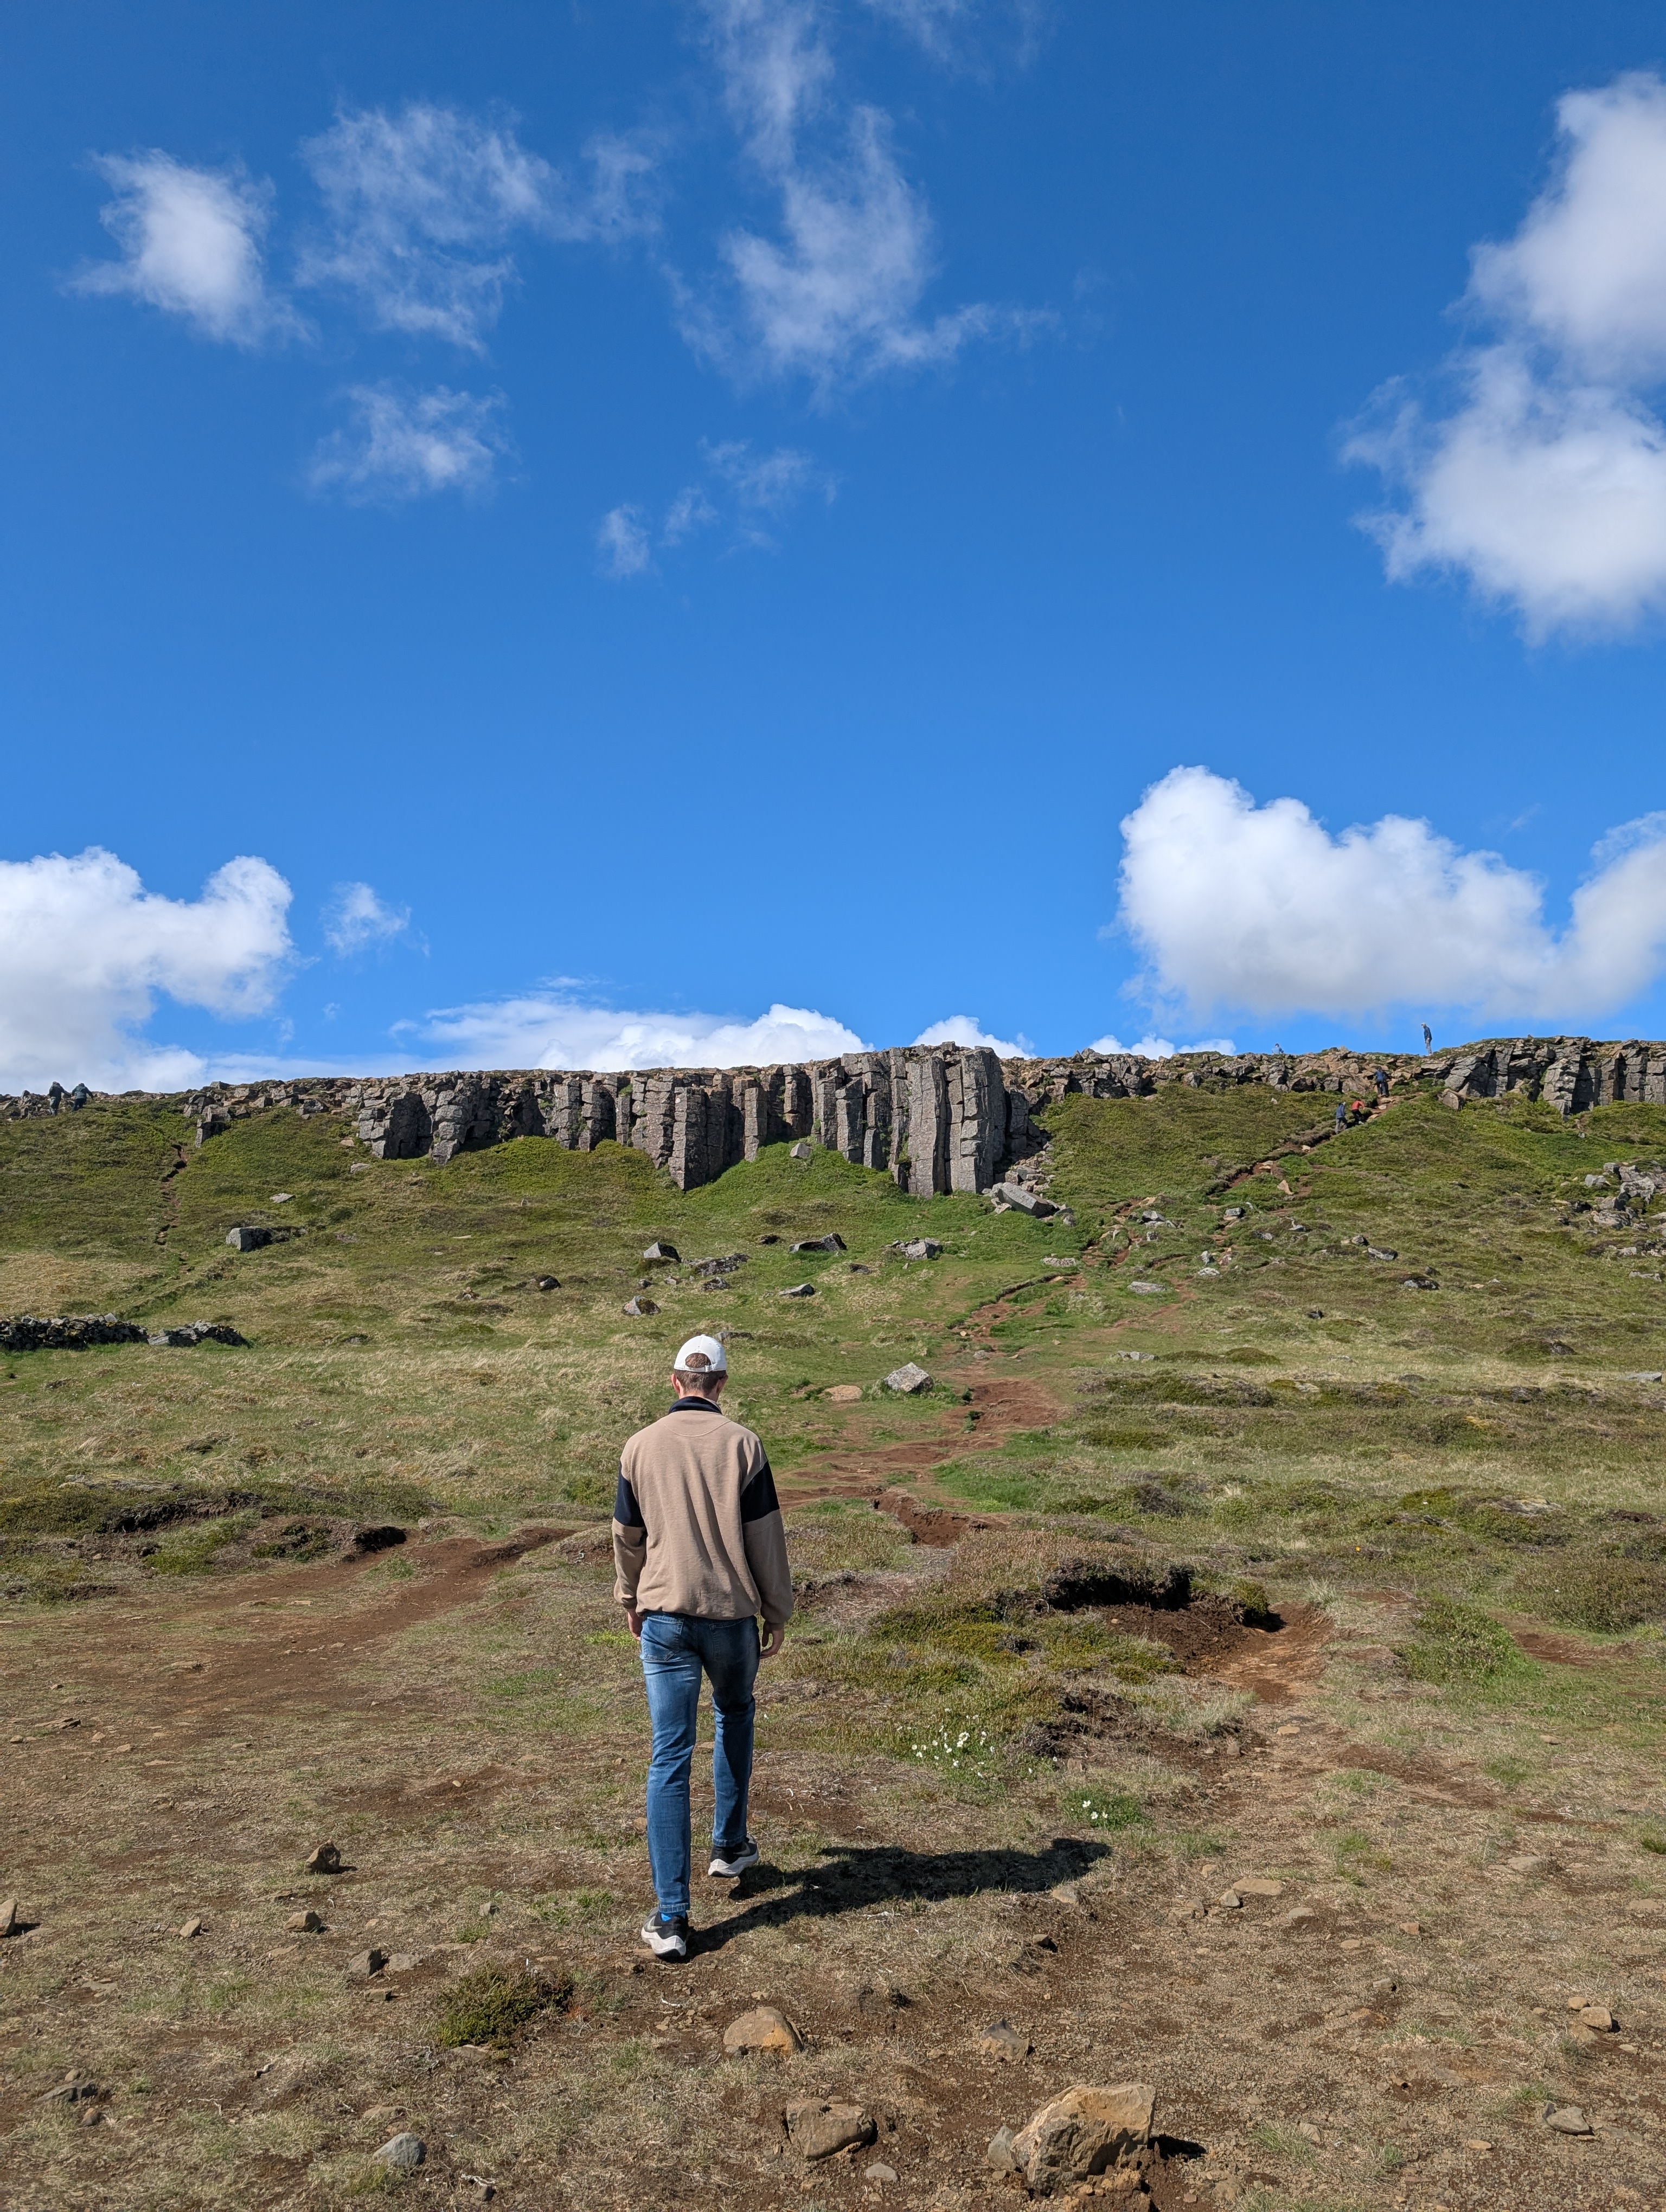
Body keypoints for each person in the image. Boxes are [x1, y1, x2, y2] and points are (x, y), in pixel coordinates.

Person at [613, 1335, 793, 1963]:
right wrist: (777, 1611)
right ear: (721, 1384)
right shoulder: (745, 1445)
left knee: (670, 1754)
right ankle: (730, 1844)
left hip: (664, 1618)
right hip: (730, 1617)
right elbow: (765, 1537)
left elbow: (627, 1534)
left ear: (675, 1382)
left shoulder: (639, 1446)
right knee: (735, 1713)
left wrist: (629, 1596)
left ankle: (671, 1917)